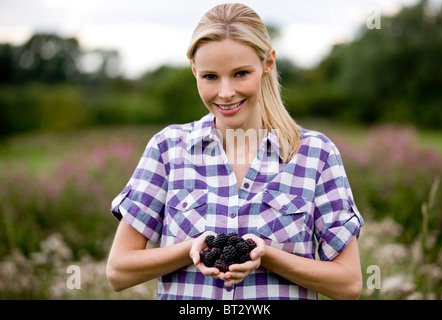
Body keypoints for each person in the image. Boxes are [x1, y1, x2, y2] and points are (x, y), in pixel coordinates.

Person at [106, 3, 364, 300]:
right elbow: (118, 272)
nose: (225, 92)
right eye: (210, 77)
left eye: (240, 73)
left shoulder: (315, 154)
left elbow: (348, 284)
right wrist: (193, 249)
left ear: (268, 63)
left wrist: (266, 256)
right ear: (194, 70)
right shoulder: (168, 149)